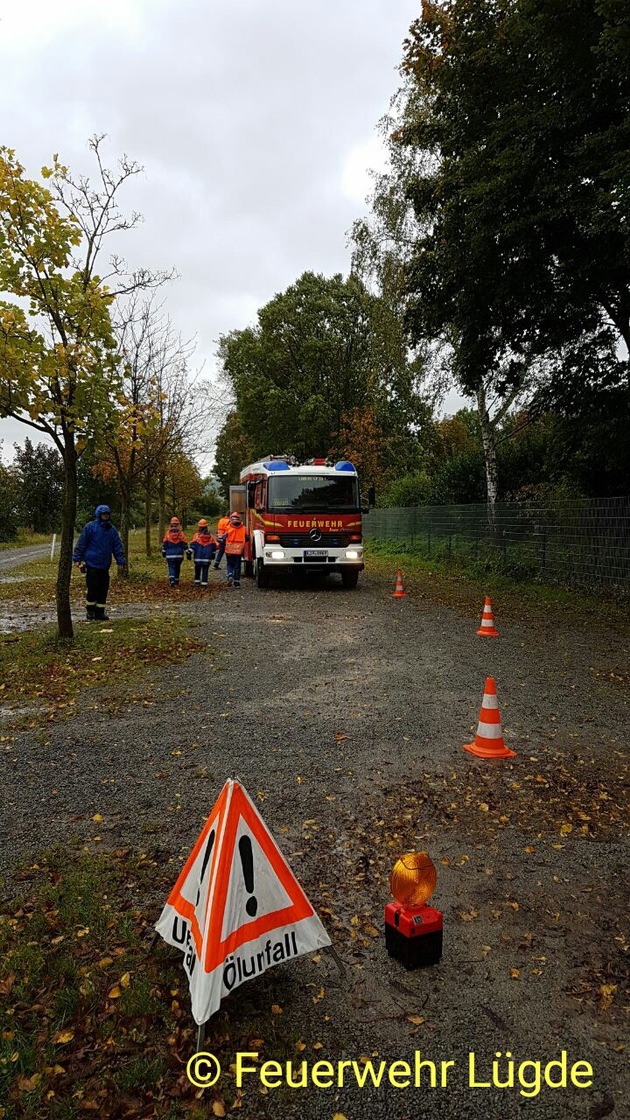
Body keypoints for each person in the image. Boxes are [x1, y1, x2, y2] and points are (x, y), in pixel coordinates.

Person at [73, 504, 125, 621]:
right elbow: (81, 544)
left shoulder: (112, 530)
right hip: (91, 564)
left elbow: (117, 546)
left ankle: (100, 612)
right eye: (103, 514)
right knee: (93, 588)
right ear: (99, 515)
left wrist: (120, 560)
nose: (105, 516)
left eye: (107, 514)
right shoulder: (90, 528)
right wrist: (77, 558)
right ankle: (90, 611)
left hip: (104, 565)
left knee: (103, 588)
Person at [188, 519, 218, 588]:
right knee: (205, 570)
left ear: (199, 527)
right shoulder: (210, 537)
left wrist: (189, 552)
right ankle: (204, 584)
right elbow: (214, 546)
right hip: (207, 558)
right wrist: (213, 554)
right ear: (206, 527)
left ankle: (197, 583)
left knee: (197, 569)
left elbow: (193, 546)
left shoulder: (196, 536)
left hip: (198, 557)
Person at [224, 510, 249, 588]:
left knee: (230, 564)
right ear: (239, 519)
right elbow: (247, 538)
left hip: (229, 550)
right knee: (237, 566)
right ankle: (237, 583)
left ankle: (230, 575)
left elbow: (224, 537)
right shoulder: (244, 528)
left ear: (231, 519)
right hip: (238, 550)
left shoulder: (228, 527)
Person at [162, 517, 188, 587]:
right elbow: (184, 544)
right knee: (178, 567)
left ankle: (172, 580)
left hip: (170, 554)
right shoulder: (181, 534)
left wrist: (164, 552)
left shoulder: (168, 533)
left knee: (171, 567)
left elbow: (165, 544)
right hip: (179, 554)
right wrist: (186, 550)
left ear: (171, 524)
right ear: (178, 525)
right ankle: (177, 580)